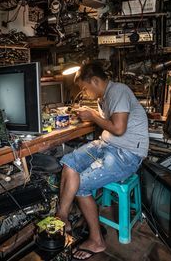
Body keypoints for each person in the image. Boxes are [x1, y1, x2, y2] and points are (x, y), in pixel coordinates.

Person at [56, 62, 149, 260]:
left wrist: (93, 116)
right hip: (107, 145)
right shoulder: (104, 97)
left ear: (95, 81)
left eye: (84, 87)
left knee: (80, 185)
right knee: (69, 162)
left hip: (127, 154)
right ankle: (63, 217)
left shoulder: (119, 91)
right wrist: (91, 115)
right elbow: (110, 127)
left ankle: (97, 240)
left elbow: (118, 128)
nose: (84, 92)